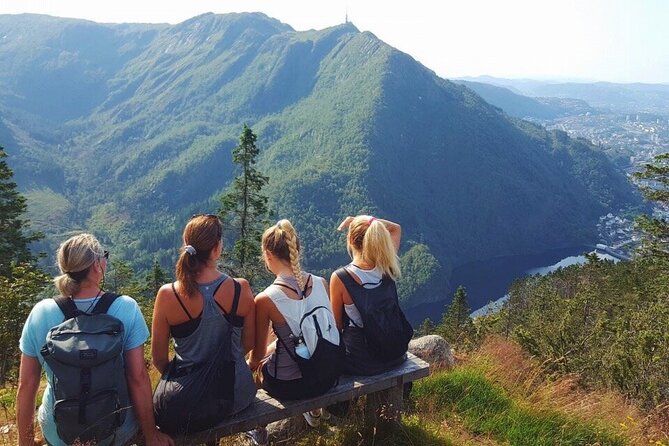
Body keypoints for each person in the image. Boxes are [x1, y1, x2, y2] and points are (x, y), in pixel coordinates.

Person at [16, 233, 173, 446]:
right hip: (116, 431)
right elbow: (137, 378)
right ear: (98, 266)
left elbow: (27, 385)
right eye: (104, 256)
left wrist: (24, 442)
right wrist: (151, 434)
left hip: (60, 434)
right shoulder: (125, 308)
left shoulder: (41, 312)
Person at [151, 214, 256, 433]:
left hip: (189, 401)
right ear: (217, 248)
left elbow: (159, 359)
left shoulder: (169, 294)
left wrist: (192, 383)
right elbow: (248, 344)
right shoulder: (241, 289)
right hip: (236, 394)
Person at [247, 219, 339, 437]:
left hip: (290, 385)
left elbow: (257, 355)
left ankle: (258, 431)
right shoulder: (320, 282)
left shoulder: (266, 299)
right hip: (326, 376)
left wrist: (245, 367)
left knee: (260, 372)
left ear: (268, 255)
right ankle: (315, 410)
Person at [330, 215, 409, 375]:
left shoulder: (341, 278)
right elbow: (395, 228)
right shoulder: (387, 264)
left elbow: (336, 326)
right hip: (396, 354)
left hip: (363, 361)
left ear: (350, 239)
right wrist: (365, 219)